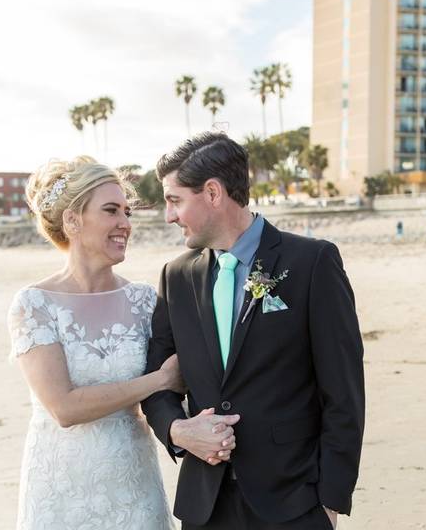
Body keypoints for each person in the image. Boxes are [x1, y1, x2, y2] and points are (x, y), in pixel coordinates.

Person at [142, 133, 365, 529]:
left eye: (174, 200)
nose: (168, 216)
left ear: (212, 193)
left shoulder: (312, 262)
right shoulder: (176, 276)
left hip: (295, 503)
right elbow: (156, 381)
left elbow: (344, 392)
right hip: (204, 506)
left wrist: (330, 500)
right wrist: (178, 430)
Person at [6, 157, 224, 530]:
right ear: (72, 220)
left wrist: (190, 428)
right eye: (111, 211)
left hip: (132, 485)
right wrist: (158, 380)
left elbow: (189, 378)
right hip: (61, 489)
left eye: (127, 211)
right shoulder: (35, 304)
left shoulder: (143, 301)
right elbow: (64, 408)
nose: (125, 223)